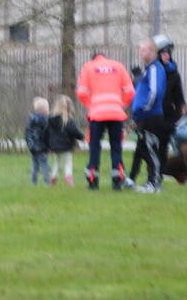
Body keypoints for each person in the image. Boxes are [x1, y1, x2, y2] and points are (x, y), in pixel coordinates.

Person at [76, 52, 135, 190]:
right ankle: (117, 180)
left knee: (94, 147)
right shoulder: (119, 66)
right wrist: (122, 105)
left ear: (94, 58)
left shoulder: (88, 67)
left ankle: (93, 180)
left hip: (97, 114)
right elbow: (130, 91)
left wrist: (91, 105)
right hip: (116, 113)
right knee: (116, 148)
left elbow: (81, 92)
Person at [130, 38, 168, 194]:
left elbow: (155, 91)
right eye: (140, 48)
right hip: (143, 116)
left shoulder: (154, 68)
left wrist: (145, 108)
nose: (141, 51)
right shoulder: (147, 69)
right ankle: (149, 181)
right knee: (143, 148)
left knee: (150, 149)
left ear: (153, 51)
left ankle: (154, 183)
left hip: (150, 116)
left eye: (144, 49)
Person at [47, 95, 85, 186]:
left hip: (54, 146)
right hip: (67, 146)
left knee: (57, 162)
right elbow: (74, 131)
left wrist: (48, 144)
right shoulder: (68, 120)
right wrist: (82, 137)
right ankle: (68, 178)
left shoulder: (51, 120)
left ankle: (53, 178)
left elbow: (47, 132)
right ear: (69, 107)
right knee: (68, 162)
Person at [25, 97, 51, 186]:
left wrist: (29, 144)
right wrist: (49, 145)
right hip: (41, 147)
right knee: (45, 166)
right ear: (44, 110)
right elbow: (47, 134)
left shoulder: (31, 120)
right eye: (48, 108)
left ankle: (33, 182)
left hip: (33, 148)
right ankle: (46, 182)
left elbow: (27, 133)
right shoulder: (45, 120)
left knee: (35, 166)